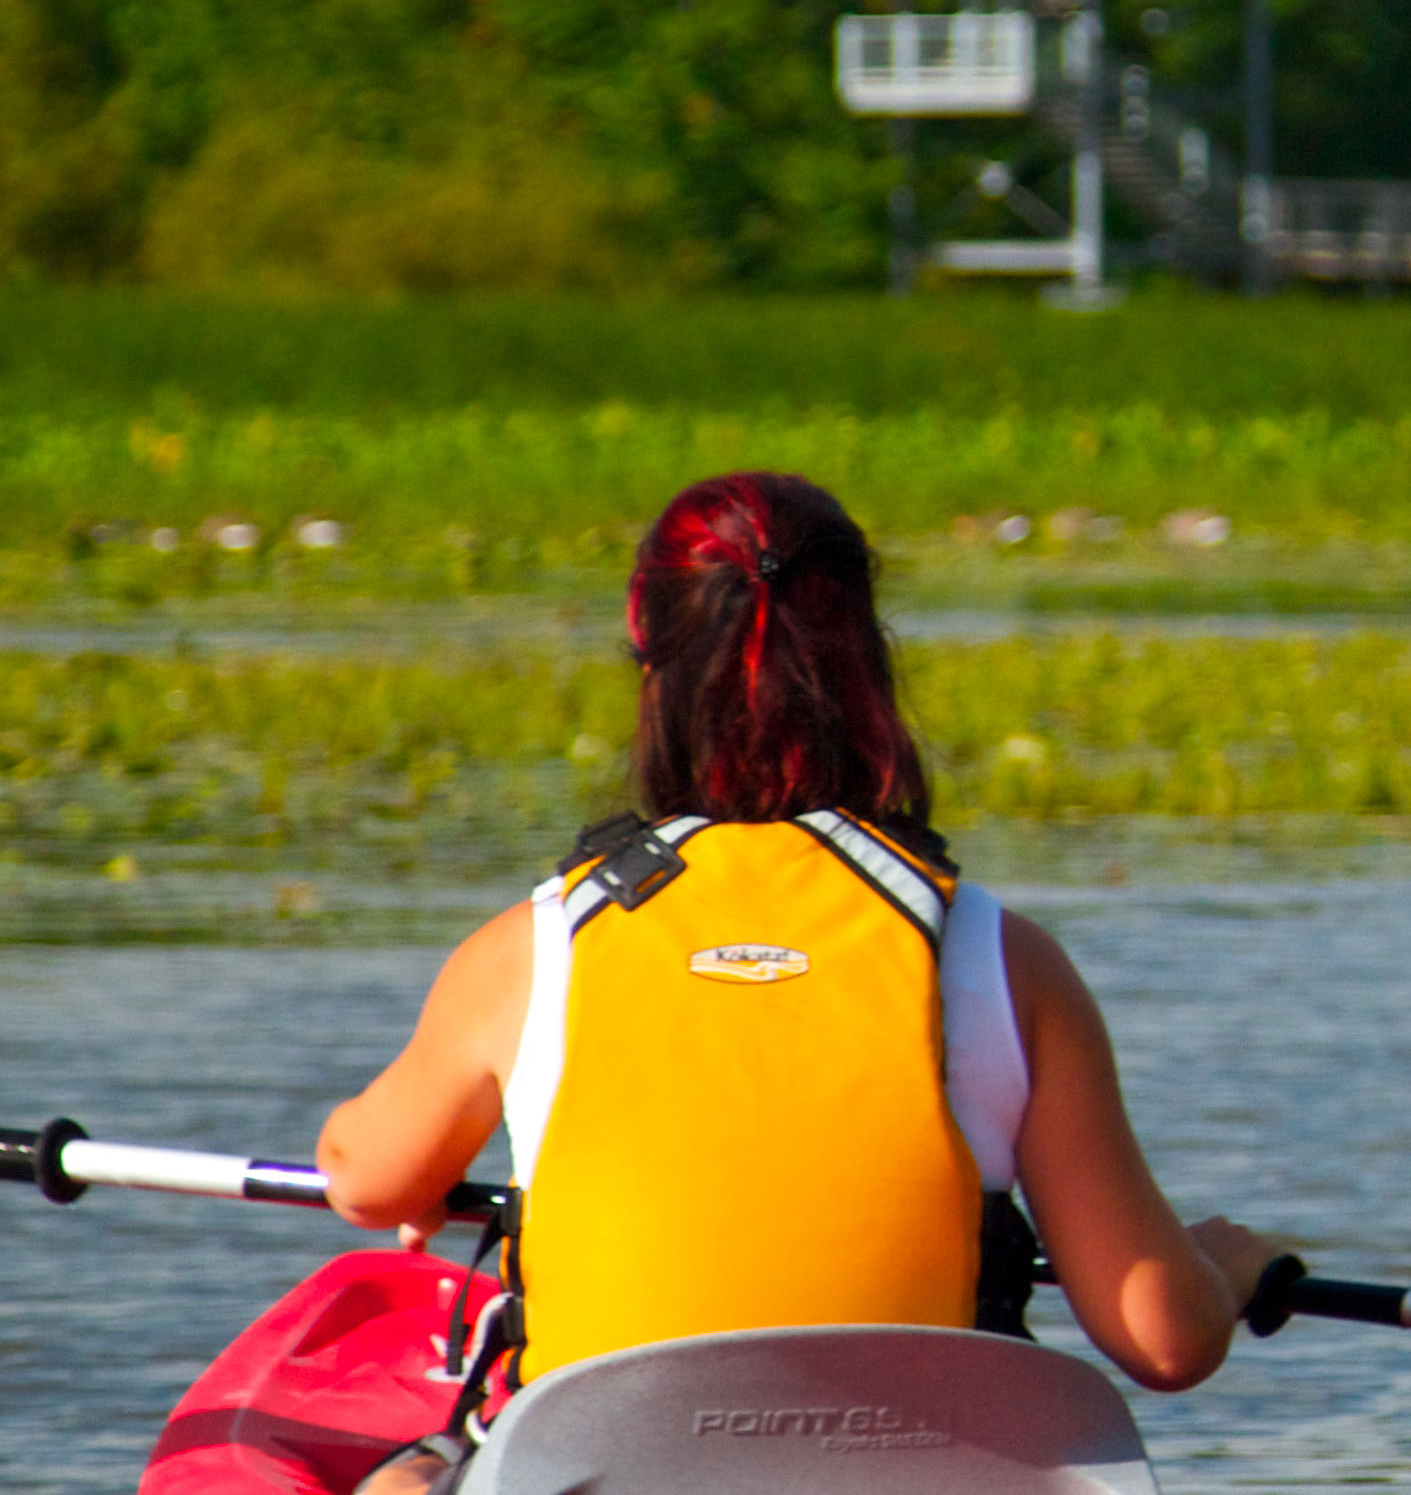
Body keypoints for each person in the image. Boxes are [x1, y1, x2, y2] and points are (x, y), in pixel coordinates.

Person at [307, 472, 1283, 1493]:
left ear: (648, 638)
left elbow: (367, 1182)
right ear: (868, 654)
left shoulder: (532, 947)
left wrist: (387, 1155)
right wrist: (1222, 1270)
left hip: (606, 1470)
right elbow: (1165, 1340)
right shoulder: (1002, 957)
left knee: (405, 1480)